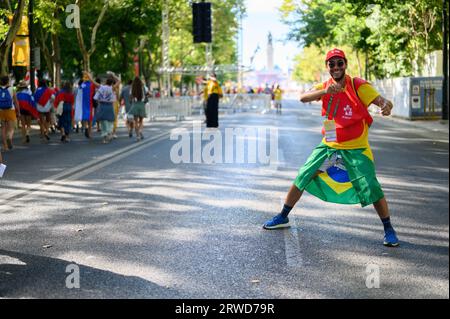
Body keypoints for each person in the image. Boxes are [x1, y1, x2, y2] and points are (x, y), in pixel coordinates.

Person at [263, 48, 399, 247]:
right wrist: (325, 91)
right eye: (331, 64)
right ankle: (283, 215)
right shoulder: (324, 86)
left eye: (339, 63)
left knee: (371, 186)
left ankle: (388, 228)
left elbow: (381, 101)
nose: (336, 67)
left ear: (345, 64)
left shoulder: (357, 85)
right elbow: (303, 97)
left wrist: (387, 105)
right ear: (327, 67)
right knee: (303, 175)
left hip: (356, 147)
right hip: (330, 145)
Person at [0, 75, 19, 151]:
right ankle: (9, 137)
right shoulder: (12, 89)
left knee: (3, 128)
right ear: (8, 81)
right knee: (11, 128)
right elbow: (16, 101)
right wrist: (18, 111)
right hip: (10, 110)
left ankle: (5, 146)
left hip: (1, 111)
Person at [129, 76, 147, 141]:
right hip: (142, 105)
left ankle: (138, 136)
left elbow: (130, 97)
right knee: (141, 121)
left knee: (136, 121)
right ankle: (140, 131)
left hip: (135, 105)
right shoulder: (143, 87)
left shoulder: (132, 88)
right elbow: (147, 94)